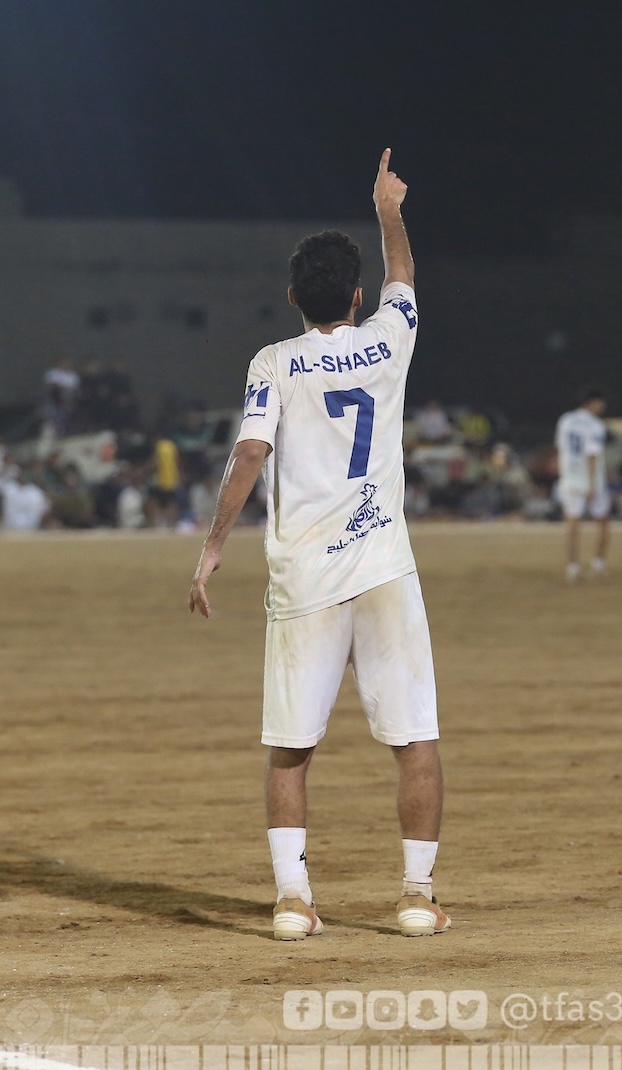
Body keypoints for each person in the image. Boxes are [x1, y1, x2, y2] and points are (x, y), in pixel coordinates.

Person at [188, 150, 448, 942]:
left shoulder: (275, 362)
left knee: (291, 747)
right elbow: (404, 279)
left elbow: (250, 453)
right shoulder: (389, 341)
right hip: (385, 568)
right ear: (357, 296)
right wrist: (389, 212)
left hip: (305, 577)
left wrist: (213, 545)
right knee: (414, 739)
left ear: (294, 297)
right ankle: (416, 896)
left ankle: (294, 900)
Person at [554, 386, 610, 582]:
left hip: (570, 477)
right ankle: (598, 565)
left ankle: (572, 567)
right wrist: (592, 485)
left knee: (572, 523)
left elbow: (560, 448)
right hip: (590, 478)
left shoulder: (565, 420)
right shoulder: (595, 425)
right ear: (593, 403)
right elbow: (591, 454)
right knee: (602, 522)